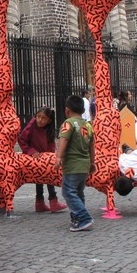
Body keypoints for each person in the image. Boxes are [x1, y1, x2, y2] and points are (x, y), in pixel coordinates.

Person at [56, 95, 95, 232]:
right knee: (79, 193)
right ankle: (76, 218)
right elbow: (92, 146)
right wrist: (92, 162)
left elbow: (64, 140)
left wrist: (59, 157)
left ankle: (84, 218)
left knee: (68, 192)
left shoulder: (68, 123)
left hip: (72, 164)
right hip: (84, 164)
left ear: (67, 110)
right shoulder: (88, 125)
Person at [17, 107, 63, 213]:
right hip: (34, 156)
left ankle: (41, 202)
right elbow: (22, 139)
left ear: (49, 120)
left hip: (43, 156)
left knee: (42, 176)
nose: (40, 120)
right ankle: (52, 200)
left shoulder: (49, 129)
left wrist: (51, 156)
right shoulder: (32, 125)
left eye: (43, 118)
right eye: (38, 117)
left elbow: (51, 143)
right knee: (45, 176)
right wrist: (31, 151)